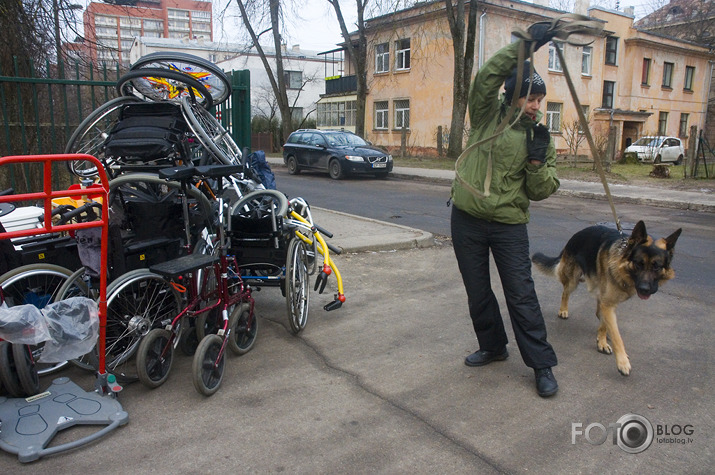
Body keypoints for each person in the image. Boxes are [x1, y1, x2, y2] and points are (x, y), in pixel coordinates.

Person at [450, 34, 560, 397]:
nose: (536, 106)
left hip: (509, 224)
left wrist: (536, 162)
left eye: (540, 99)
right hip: (467, 219)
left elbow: (542, 190)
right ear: (513, 96)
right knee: (478, 291)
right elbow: (485, 79)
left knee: (521, 294)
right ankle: (494, 346)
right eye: (530, 98)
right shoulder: (486, 116)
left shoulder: (539, 136)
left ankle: (541, 364)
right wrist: (524, 49)